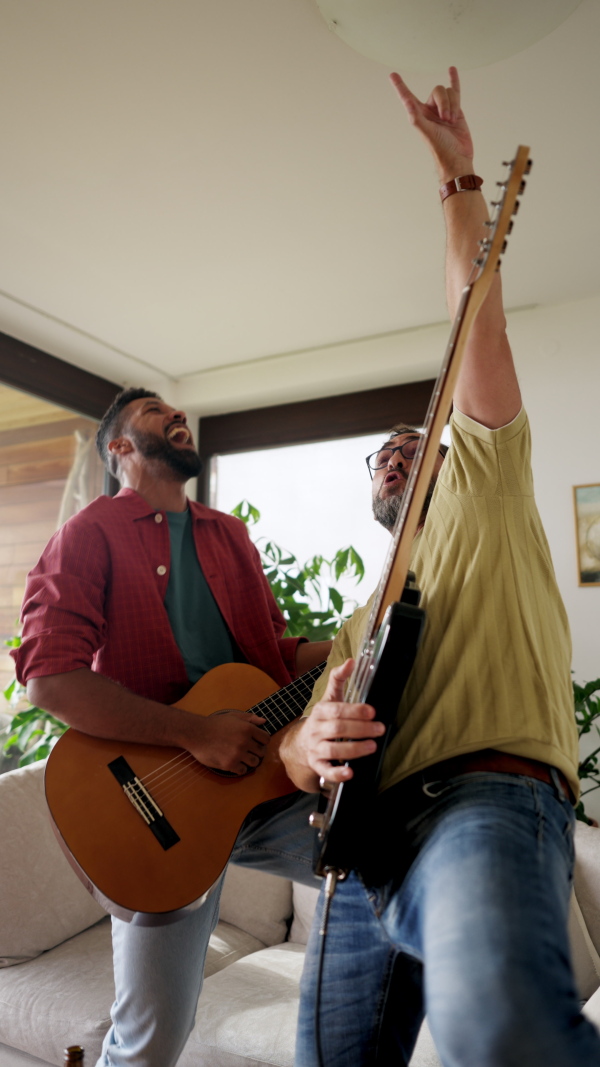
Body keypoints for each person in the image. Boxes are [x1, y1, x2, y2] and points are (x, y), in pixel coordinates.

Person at [280, 69, 600, 1066]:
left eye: (412, 442)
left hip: (484, 803)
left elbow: (479, 326)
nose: (394, 454)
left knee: (496, 1030)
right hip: (359, 856)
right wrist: (308, 740)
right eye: (378, 455)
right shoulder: (362, 610)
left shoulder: (486, 482)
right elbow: (299, 754)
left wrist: (460, 180)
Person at [14, 388, 329, 1067]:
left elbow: (271, 658)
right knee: (149, 1038)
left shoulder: (229, 535)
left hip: (263, 783)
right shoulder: (87, 534)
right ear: (120, 449)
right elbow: (49, 675)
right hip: (155, 806)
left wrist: (349, 644)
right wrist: (193, 733)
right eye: (157, 413)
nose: (178, 415)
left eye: (180, 412)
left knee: (376, 853)